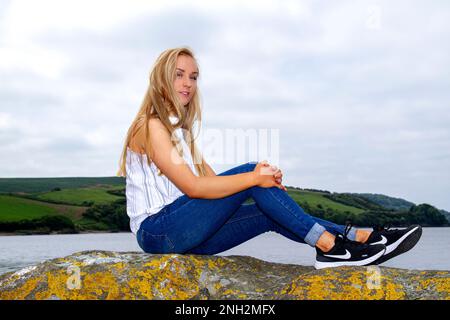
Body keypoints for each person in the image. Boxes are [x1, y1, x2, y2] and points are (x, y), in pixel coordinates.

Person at [117, 46, 422, 269]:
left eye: (194, 77)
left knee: (267, 210)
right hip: (158, 233)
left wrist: (266, 187)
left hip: (187, 237)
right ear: (161, 79)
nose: (188, 83)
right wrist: (255, 177)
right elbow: (197, 189)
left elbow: (212, 184)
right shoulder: (150, 125)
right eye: (179, 75)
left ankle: (358, 237)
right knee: (253, 172)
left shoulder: (181, 133)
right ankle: (331, 247)